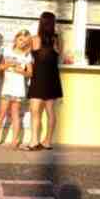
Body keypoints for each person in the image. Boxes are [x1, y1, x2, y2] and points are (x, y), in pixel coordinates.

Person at [24, 11, 63, 151]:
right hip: (52, 77)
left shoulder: (35, 39)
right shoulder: (57, 39)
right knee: (50, 111)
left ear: (41, 22)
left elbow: (25, 53)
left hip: (39, 77)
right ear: (53, 23)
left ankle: (34, 141)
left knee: (35, 111)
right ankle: (47, 141)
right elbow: (61, 56)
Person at [0, 29, 33, 149]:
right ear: (15, 39)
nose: (22, 43)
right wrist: (7, 65)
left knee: (15, 114)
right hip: (7, 87)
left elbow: (30, 73)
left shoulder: (27, 55)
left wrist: (22, 71)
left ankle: (14, 142)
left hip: (19, 89)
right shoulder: (7, 51)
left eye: (25, 41)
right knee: (1, 114)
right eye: (20, 40)